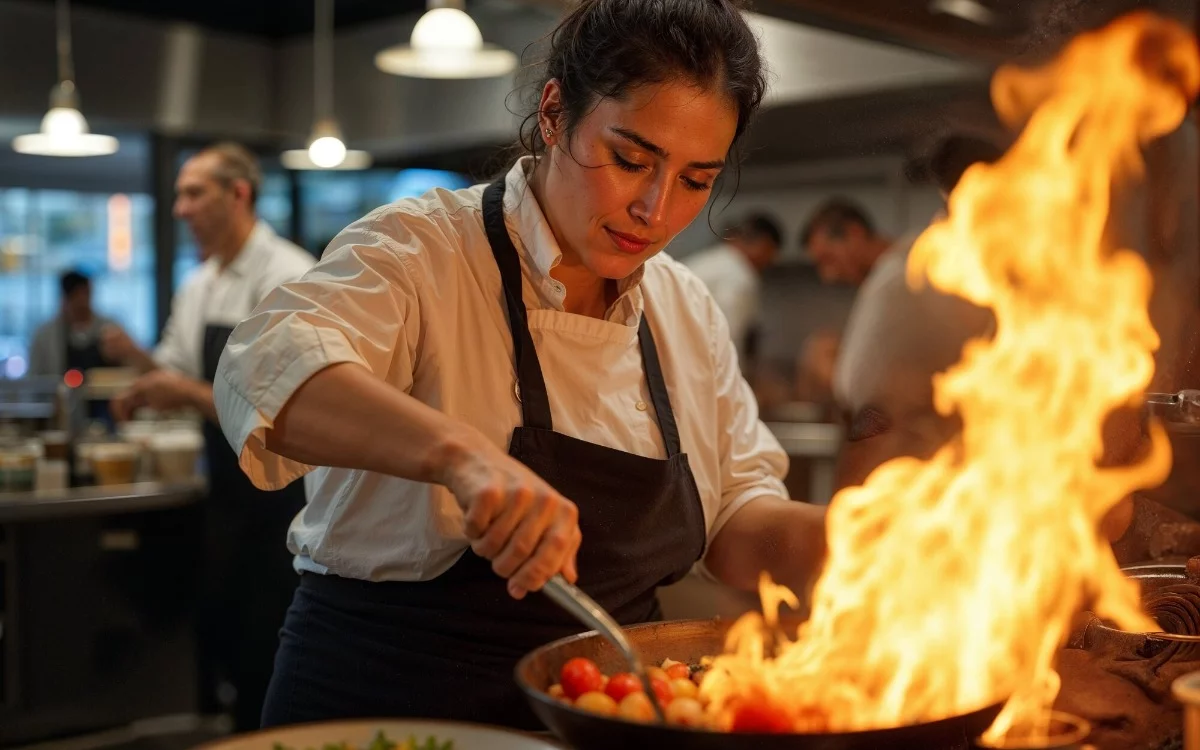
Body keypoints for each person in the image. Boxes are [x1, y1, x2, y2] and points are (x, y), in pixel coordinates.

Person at [212, 0, 826, 729]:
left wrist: (879, 543)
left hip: (603, 711)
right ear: (555, 113)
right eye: (631, 160)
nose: (655, 211)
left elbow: (738, 521)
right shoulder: (424, 250)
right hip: (388, 705)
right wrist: (461, 457)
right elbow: (265, 367)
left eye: (696, 181)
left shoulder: (685, 307)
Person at [102, 142, 316, 732]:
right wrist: (137, 368)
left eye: (193, 192)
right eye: (179, 194)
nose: (179, 209)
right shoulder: (200, 283)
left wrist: (186, 393)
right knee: (219, 630)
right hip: (223, 493)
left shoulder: (288, 274)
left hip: (281, 500)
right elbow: (172, 369)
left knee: (263, 647)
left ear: (239, 194)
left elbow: (285, 411)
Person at [684, 213, 782, 366]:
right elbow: (727, 335)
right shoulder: (739, 273)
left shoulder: (712, 260)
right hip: (689, 358)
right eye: (771, 253)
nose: (770, 261)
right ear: (764, 245)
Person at [28, 269, 124, 378]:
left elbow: (125, 367)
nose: (83, 301)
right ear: (66, 298)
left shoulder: (110, 328)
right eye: (77, 296)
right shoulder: (45, 335)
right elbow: (35, 380)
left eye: (86, 294)